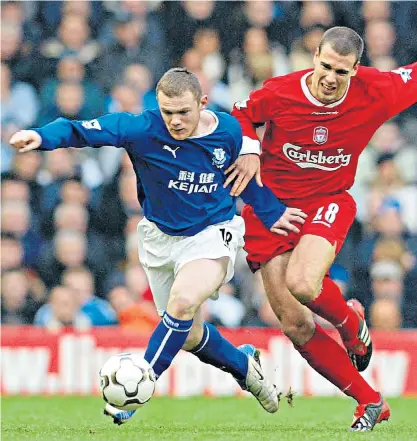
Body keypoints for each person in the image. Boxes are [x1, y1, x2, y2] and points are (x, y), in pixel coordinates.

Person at [9, 68, 307, 424]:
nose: (176, 121)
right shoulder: (142, 129)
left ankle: (135, 388)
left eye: (184, 112)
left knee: (181, 303)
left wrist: (273, 211)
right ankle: (245, 367)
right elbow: (82, 130)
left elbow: (244, 179)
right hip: (159, 239)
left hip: (213, 233)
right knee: (188, 333)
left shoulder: (227, 131)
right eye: (168, 112)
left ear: (202, 103)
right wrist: (39, 137)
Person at [227, 26, 417, 432]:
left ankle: (351, 325)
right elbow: (240, 115)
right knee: (295, 324)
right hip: (272, 209)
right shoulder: (280, 92)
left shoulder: (379, 90)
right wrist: (248, 148)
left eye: (342, 72)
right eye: (326, 66)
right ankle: (370, 401)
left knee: (302, 282)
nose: (331, 77)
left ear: (356, 70)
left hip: (327, 200)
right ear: (314, 56)